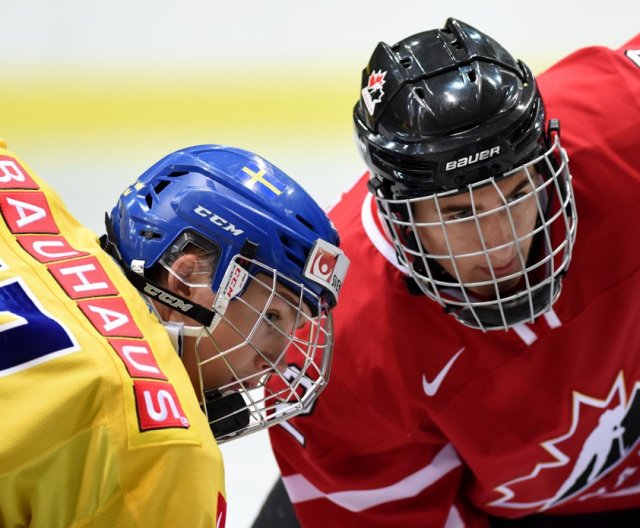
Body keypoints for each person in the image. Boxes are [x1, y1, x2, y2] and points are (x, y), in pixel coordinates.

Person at [259, 18, 640, 528]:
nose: (500, 238)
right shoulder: (337, 335)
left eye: (519, 193)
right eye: (461, 213)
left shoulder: (623, 126)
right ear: (399, 213)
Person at [0, 141, 348, 527]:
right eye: (271, 317)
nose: (278, 362)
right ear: (187, 277)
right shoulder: (166, 447)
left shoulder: (15, 185)